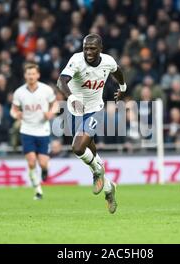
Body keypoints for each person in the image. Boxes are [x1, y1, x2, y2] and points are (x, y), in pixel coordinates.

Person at [57, 33, 126, 214]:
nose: (88, 51)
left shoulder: (108, 61)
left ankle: (98, 173)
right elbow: (61, 81)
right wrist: (71, 97)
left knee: (78, 148)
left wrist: (123, 88)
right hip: (74, 112)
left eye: (93, 48)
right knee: (90, 154)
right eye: (86, 48)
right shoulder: (77, 60)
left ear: (100, 49)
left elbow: (117, 70)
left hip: (95, 110)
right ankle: (109, 187)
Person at [11, 63, 58, 200]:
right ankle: (38, 190)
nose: (31, 76)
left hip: (43, 130)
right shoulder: (19, 92)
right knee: (31, 162)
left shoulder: (46, 90)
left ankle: (44, 170)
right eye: (28, 74)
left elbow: (55, 104)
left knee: (42, 162)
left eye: (33, 73)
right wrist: (16, 115)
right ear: (25, 75)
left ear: (38, 75)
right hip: (27, 130)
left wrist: (51, 113)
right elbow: (13, 109)